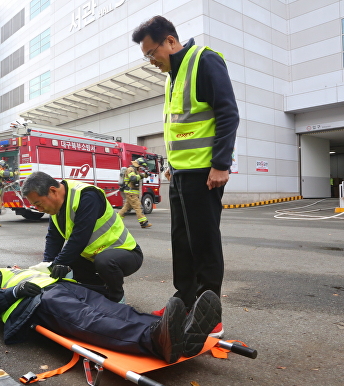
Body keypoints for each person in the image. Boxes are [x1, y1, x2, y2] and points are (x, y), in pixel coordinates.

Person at [132, 16, 239, 338]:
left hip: (205, 172)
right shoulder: (171, 77)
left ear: (170, 41)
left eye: (152, 53)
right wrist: (171, 165)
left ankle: (211, 312)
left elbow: (227, 113)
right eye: (146, 56)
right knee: (181, 239)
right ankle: (185, 299)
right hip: (181, 172)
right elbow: (180, 127)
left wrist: (221, 164)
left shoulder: (203, 60)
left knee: (204, 241)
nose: (151, 61)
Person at [0, 266, 222, 364]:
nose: (13, 266)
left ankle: (179, 332)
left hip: (67, 288)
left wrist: (63, 270)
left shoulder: (34, 267)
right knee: (89, 319)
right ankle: (155, 341)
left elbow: (63, 273)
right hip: (38, 301)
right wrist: (14, 292)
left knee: (119, 311)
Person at [21, 171, 143, 303]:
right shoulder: (56, 207)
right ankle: (98, 294)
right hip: (93, 257)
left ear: (52, 191)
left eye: (38, 203)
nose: (38, 209)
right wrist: (48, 267)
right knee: (69, 262)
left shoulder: (87, 195)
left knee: (100, 261)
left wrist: (59, 264)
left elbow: (80, 236)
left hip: (126, 253)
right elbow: (54, 239)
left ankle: (117, 299)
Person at [118, 157, 152, 228]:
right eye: (142, 166)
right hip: (131, 193)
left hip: (132, 193)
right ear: (138, 164)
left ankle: (116, 220)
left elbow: (138, 176)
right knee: (138, 207)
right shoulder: (131, 169)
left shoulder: (135, 170)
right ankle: (143, 223)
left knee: (126, 208)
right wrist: (140, 175)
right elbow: (133, 178)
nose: (141, 168)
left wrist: (145, 174)